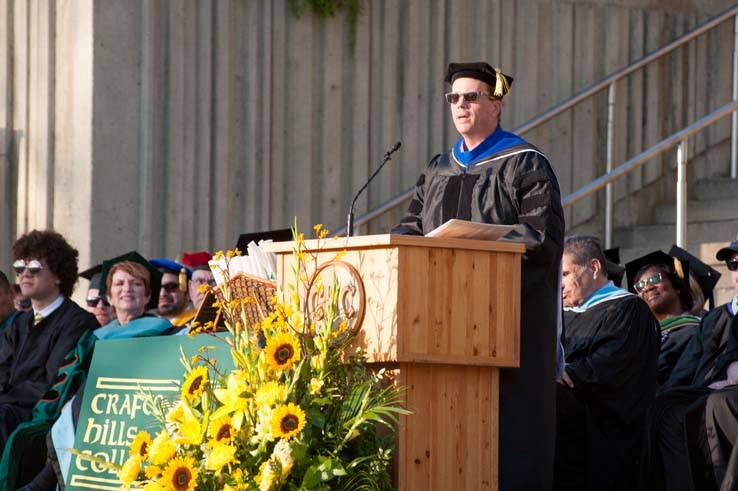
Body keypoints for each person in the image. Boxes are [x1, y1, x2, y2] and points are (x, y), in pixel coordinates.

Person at [392, 61, 564, 491]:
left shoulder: (525, 164)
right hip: (435, 323)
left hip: (505, 323)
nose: (461, 105)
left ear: (496, 105)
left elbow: (541, 238)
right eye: (454, 98)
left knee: (508, 435)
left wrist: (480, 251)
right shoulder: (437, 170)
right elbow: (409, 229)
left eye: (472, 96)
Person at [5, 251, 172, 491]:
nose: (128, 289)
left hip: (130, 413)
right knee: (29, 434)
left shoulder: (161, 332)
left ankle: (41, 484)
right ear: (110, 296)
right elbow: (70, 377)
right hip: (88, 407)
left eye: (137, 284)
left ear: (147, 296)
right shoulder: (96, 336)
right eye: (120, 284)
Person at [556, 236, 659, 491]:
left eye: (566, 274)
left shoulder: (630, 310)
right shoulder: (561, 314)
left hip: (603, 422)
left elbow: (608, 368)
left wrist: (564, 372)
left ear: (594, 268)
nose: (559, 285)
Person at [645, 238, 738, 490]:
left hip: (724, 393)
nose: (737, 271)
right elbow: (687, 369)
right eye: (732, 265)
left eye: (654, 281)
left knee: (716, 403)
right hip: (705, 388)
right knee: (664, 406)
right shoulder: (717, 317)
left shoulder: (690, 327)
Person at [0, 231, 98, 455]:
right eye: (19, 268)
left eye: (34, 268)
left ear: (58, 275)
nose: (25, 274)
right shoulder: (18, 323)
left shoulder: (78, 323)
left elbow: (52, 383)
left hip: (41, 414)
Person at [626, 250, 699, 386]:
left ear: (677, 286)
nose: (647, 287)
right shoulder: (638, 338)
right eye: (640, 286)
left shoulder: (696, 331)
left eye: (655, 279)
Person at [150, 258, 195, 327]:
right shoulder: (151, 327)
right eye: (157, 287)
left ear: (189, 293)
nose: (162, 293)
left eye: (171, 287)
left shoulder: (197, 324)